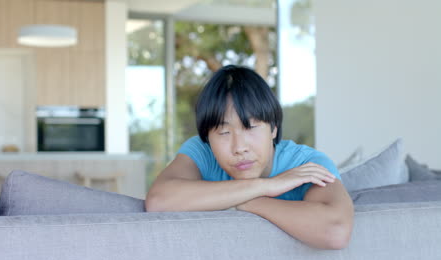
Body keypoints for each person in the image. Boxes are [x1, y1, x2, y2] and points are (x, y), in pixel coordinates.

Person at [145, 65, 354, 250]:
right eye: (224, 133)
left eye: (251, 127)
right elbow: (158, 201)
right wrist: (266, 186)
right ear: (208, 138)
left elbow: (335, 232)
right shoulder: (202, 152)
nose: (239, 148)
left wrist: (246, 202)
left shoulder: (307, 164)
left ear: (273, 128)